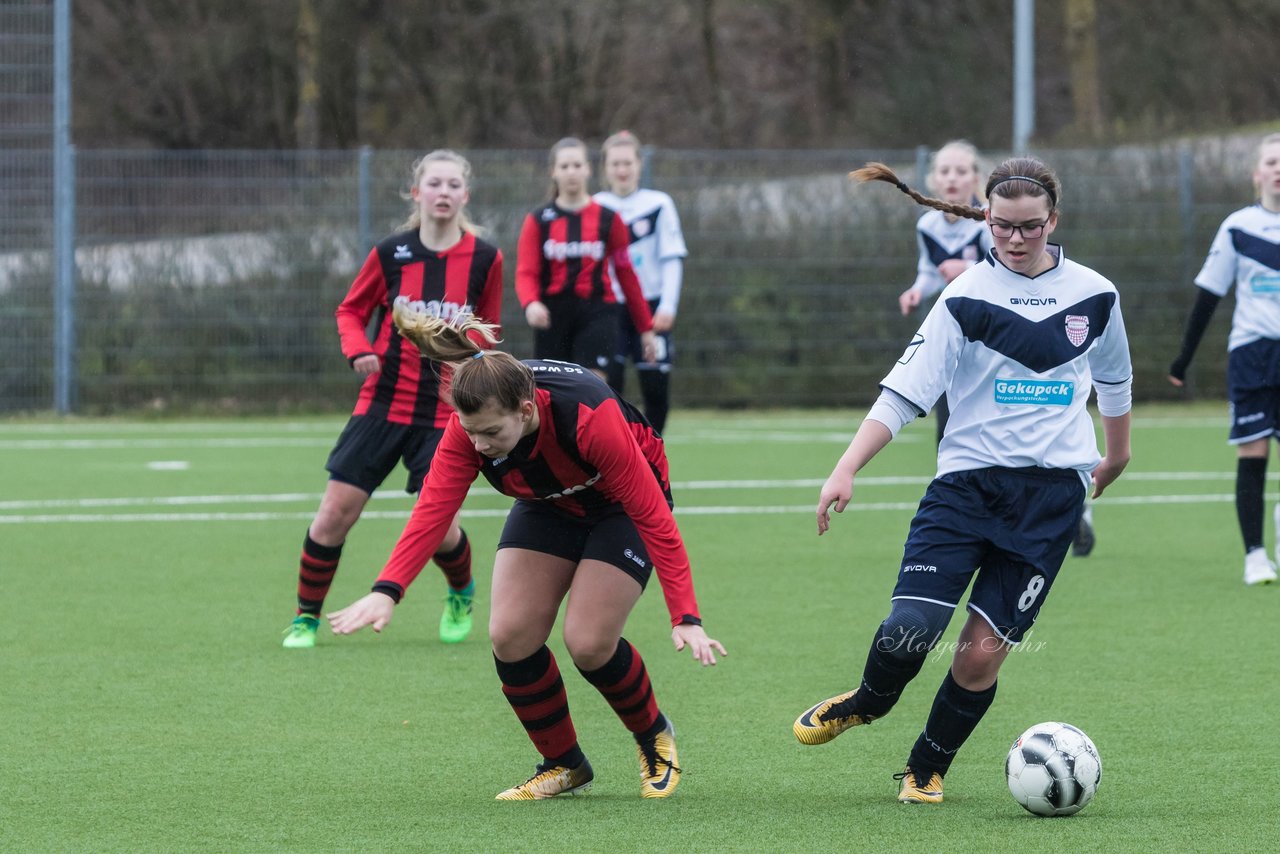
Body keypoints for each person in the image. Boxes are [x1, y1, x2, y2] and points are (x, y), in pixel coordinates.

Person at [793, 156, 1132, 805]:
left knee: (979, 655)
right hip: (965, 490)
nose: (1014, 238)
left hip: (1050, 501)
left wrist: (1116, 454)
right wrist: (846, 466)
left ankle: (926, 766)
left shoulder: (1095, 294)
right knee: (908, 629)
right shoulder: (965, 296)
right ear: (986, 218)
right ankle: (868, 700)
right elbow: (905, 392)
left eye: (1029, 226)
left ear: (1052, 221)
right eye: (1003, 225)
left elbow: (1115, 380)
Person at [328, 305, 726, 800]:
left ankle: (654, 736)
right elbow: (432, 511)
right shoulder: (470, 429)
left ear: (526, 409)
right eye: (470, 432)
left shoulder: (588, 416)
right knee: (510, 634)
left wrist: (685, 614)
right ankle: (564, 764)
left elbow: (652, 516)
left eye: (491, 433)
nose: (480, 444)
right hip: (547, 505)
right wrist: (387, 590)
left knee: (588, 642)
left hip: (618, 509)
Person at [282, 150, 503, 649]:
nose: (443, 192)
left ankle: (461, 591)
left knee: (440, 527)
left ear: (464, 195)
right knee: (335, 513)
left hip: (446, 412)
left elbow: (488, 331)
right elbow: (350, 311)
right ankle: (305, 617)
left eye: (452, 185)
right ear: (416, 192)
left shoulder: (486, 258)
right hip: (381, 404)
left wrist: (478, 370)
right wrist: (358, 349)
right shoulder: (390, 253)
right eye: (434, 184)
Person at [1168, 133, 1280, 586]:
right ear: (1257, 173)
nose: (1279, 169)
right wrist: (1183, 359)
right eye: (1272, 161)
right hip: (1252, 354)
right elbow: (1209, 295)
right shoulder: (1237, 226)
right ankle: (1254, 555)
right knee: (1253, 452)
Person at [516, 137, 658, 382]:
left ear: (589, 170)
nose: (571, 172)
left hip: (598, 311)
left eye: (577, 165)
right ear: (553, 172)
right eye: (564, 166)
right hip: (553, 315)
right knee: (551, 389)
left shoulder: (608, 219)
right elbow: (526, 272)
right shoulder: (538, 220)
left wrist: (645, 328)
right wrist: (531, 303)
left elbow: (626, 274)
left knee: (592, 384)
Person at [895, 141, 992, 445]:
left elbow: (1005, 270)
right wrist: (916, 292)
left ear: (975, 179)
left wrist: (966, 267)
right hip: (953, 330)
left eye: (961, 171)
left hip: (991, 331)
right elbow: (929, 271)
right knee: (948, 419)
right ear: (933, 180)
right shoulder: (928, 226)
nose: (952, 178)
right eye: (944, 171)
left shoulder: (989, 223)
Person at [594, 131, 688, 433]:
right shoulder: (596, 206)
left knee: (656, 389)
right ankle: (618, 457)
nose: (622, 170)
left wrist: (668, 305)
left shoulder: (659, 204)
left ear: (638, 164)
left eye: (628, 163)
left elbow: (671, 258)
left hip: (651, 307)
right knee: (609, 389)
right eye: (615, 164)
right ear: (605, 168)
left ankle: (653, 455)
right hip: (608, 309)